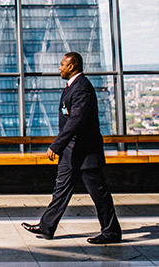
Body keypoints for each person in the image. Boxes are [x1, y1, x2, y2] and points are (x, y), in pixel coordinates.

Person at [21, 52, 121, 244]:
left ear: (72, 67)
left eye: (62, 65)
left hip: (85, 152)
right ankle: (46, 226)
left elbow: (75, 122)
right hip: (72, 152)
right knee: (61, 189)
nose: (59, 68)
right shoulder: (73, 87)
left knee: (98, 193)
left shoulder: (82, 88)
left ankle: (111, 231)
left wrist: (56, 145)